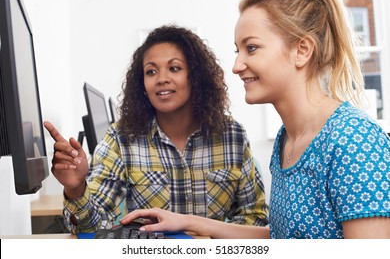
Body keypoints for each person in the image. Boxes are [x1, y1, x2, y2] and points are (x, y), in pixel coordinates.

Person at [121, 0, 390, 239]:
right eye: (238, 51)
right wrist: (187, 221)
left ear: (302, 51)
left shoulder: (353, 140)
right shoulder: (287, 139)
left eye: (251, 48)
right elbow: (282, 237)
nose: (237, 65)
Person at [44, 25, 268, 234]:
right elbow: (93, 227)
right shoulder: (121, 139)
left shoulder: (232, 137)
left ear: (195, 76)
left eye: (174, 68)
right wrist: (76, 189)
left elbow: (255, 218)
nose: (161, 79)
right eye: (151, 72)